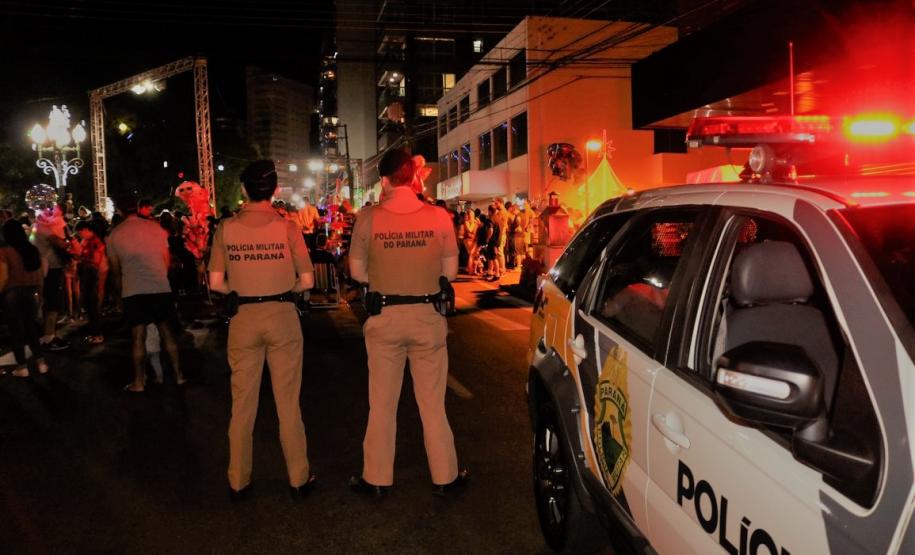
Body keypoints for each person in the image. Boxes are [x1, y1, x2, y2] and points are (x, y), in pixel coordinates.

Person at [348, 148, 468, 498]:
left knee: (382, 404)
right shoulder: (437, 217)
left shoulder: (369, 218)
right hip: (426, 316)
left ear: (384, 179)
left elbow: (357, 272)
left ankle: (377, 479)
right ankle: (445, 477)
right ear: (411, 175)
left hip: (385, 316)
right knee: (432, 404)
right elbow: (450, 272)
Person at [208, 160, 316, 500]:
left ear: (243, 190)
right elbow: (308, 280)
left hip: (243, 318)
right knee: (288, 402)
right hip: (282, 314)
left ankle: (238, 479)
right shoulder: (288, 227)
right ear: (275, 191)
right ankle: (298, 478)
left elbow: (215, 282)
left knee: (242, 404)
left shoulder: (225, 228)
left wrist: (236, 289)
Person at [107, 196, 186, 392]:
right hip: (159, 286)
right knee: (167, 333)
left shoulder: (115, 234)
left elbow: (115, 272)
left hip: (133, 289)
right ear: (138, 208)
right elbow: (166, 259)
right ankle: (179, 376)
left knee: (138, 337)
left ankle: (139, 382)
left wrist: (119, 297)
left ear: (120, 211)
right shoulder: (155, 228)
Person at [0, 220, 49, 378]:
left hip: (12, 293)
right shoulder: (32, 250)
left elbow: (4, 276)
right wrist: (40, 295)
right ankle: (41, 363)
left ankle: (22, 367)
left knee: (16, 331)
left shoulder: (5, 251)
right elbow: (40, 276)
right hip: (32, 292)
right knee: (31, 328)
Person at [32, 206, 71, 351]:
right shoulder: (45, 229)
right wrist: (68, 241)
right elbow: (61, 243)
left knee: (49, 302)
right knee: (52, 303)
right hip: (51, 268)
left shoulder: (37, 226)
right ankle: (49, 338)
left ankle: (48, 335)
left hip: (45, 268)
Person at [75, 221, 105, 344]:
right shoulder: (86, 241)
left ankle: (97, 334)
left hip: (92, 275)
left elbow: (96, 260)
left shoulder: (96, 242)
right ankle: (94, 333)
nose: (80, 235)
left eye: (80, 232)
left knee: (92, 304)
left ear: (87, 229)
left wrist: (81, 258)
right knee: (88, 304)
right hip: (87, 275)